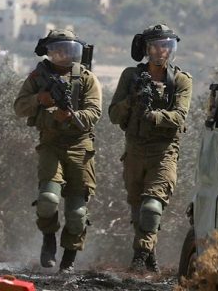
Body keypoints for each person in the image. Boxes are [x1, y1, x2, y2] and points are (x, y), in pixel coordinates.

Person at [14, 29, 102, 273]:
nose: (63, 55)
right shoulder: (38, 77)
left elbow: (94, 112)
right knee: (48, 200)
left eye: (68, 50)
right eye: (58, 50)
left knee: (77, 212)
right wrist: (40, 100)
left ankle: (69, 258)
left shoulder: (86, 79)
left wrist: (71, 116)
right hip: (51, 145)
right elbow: (19, 107)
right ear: (50, 52)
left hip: (80, 148)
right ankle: (49, 239)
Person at [108, 24, 192, 273]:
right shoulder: (130, 76)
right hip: (134, 150)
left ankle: (139, 258)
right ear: (147, 49)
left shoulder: (180, 80)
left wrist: (153, 116)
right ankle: (151, 258)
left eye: (166, 45)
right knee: (138, 210)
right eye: (156, 45)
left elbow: (179, 117)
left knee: (152, 207)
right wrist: (132, 100)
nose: (161, 50)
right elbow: (113, 114)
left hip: (163, 152)